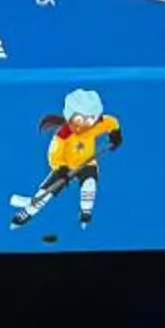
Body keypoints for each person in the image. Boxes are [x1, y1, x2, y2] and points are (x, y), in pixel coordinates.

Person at [11, 87, 122, 230]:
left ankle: (86, 213)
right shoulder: (64, 133)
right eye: (80, 119)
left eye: (89, 120)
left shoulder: (96, 125)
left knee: (90, 184)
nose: (84, 125)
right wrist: (61, 168)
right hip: (65, 167)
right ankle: (26, 212)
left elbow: (111, 121)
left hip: (87, 163)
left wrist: (115, 133)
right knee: (46, 193)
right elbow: (54, 153)